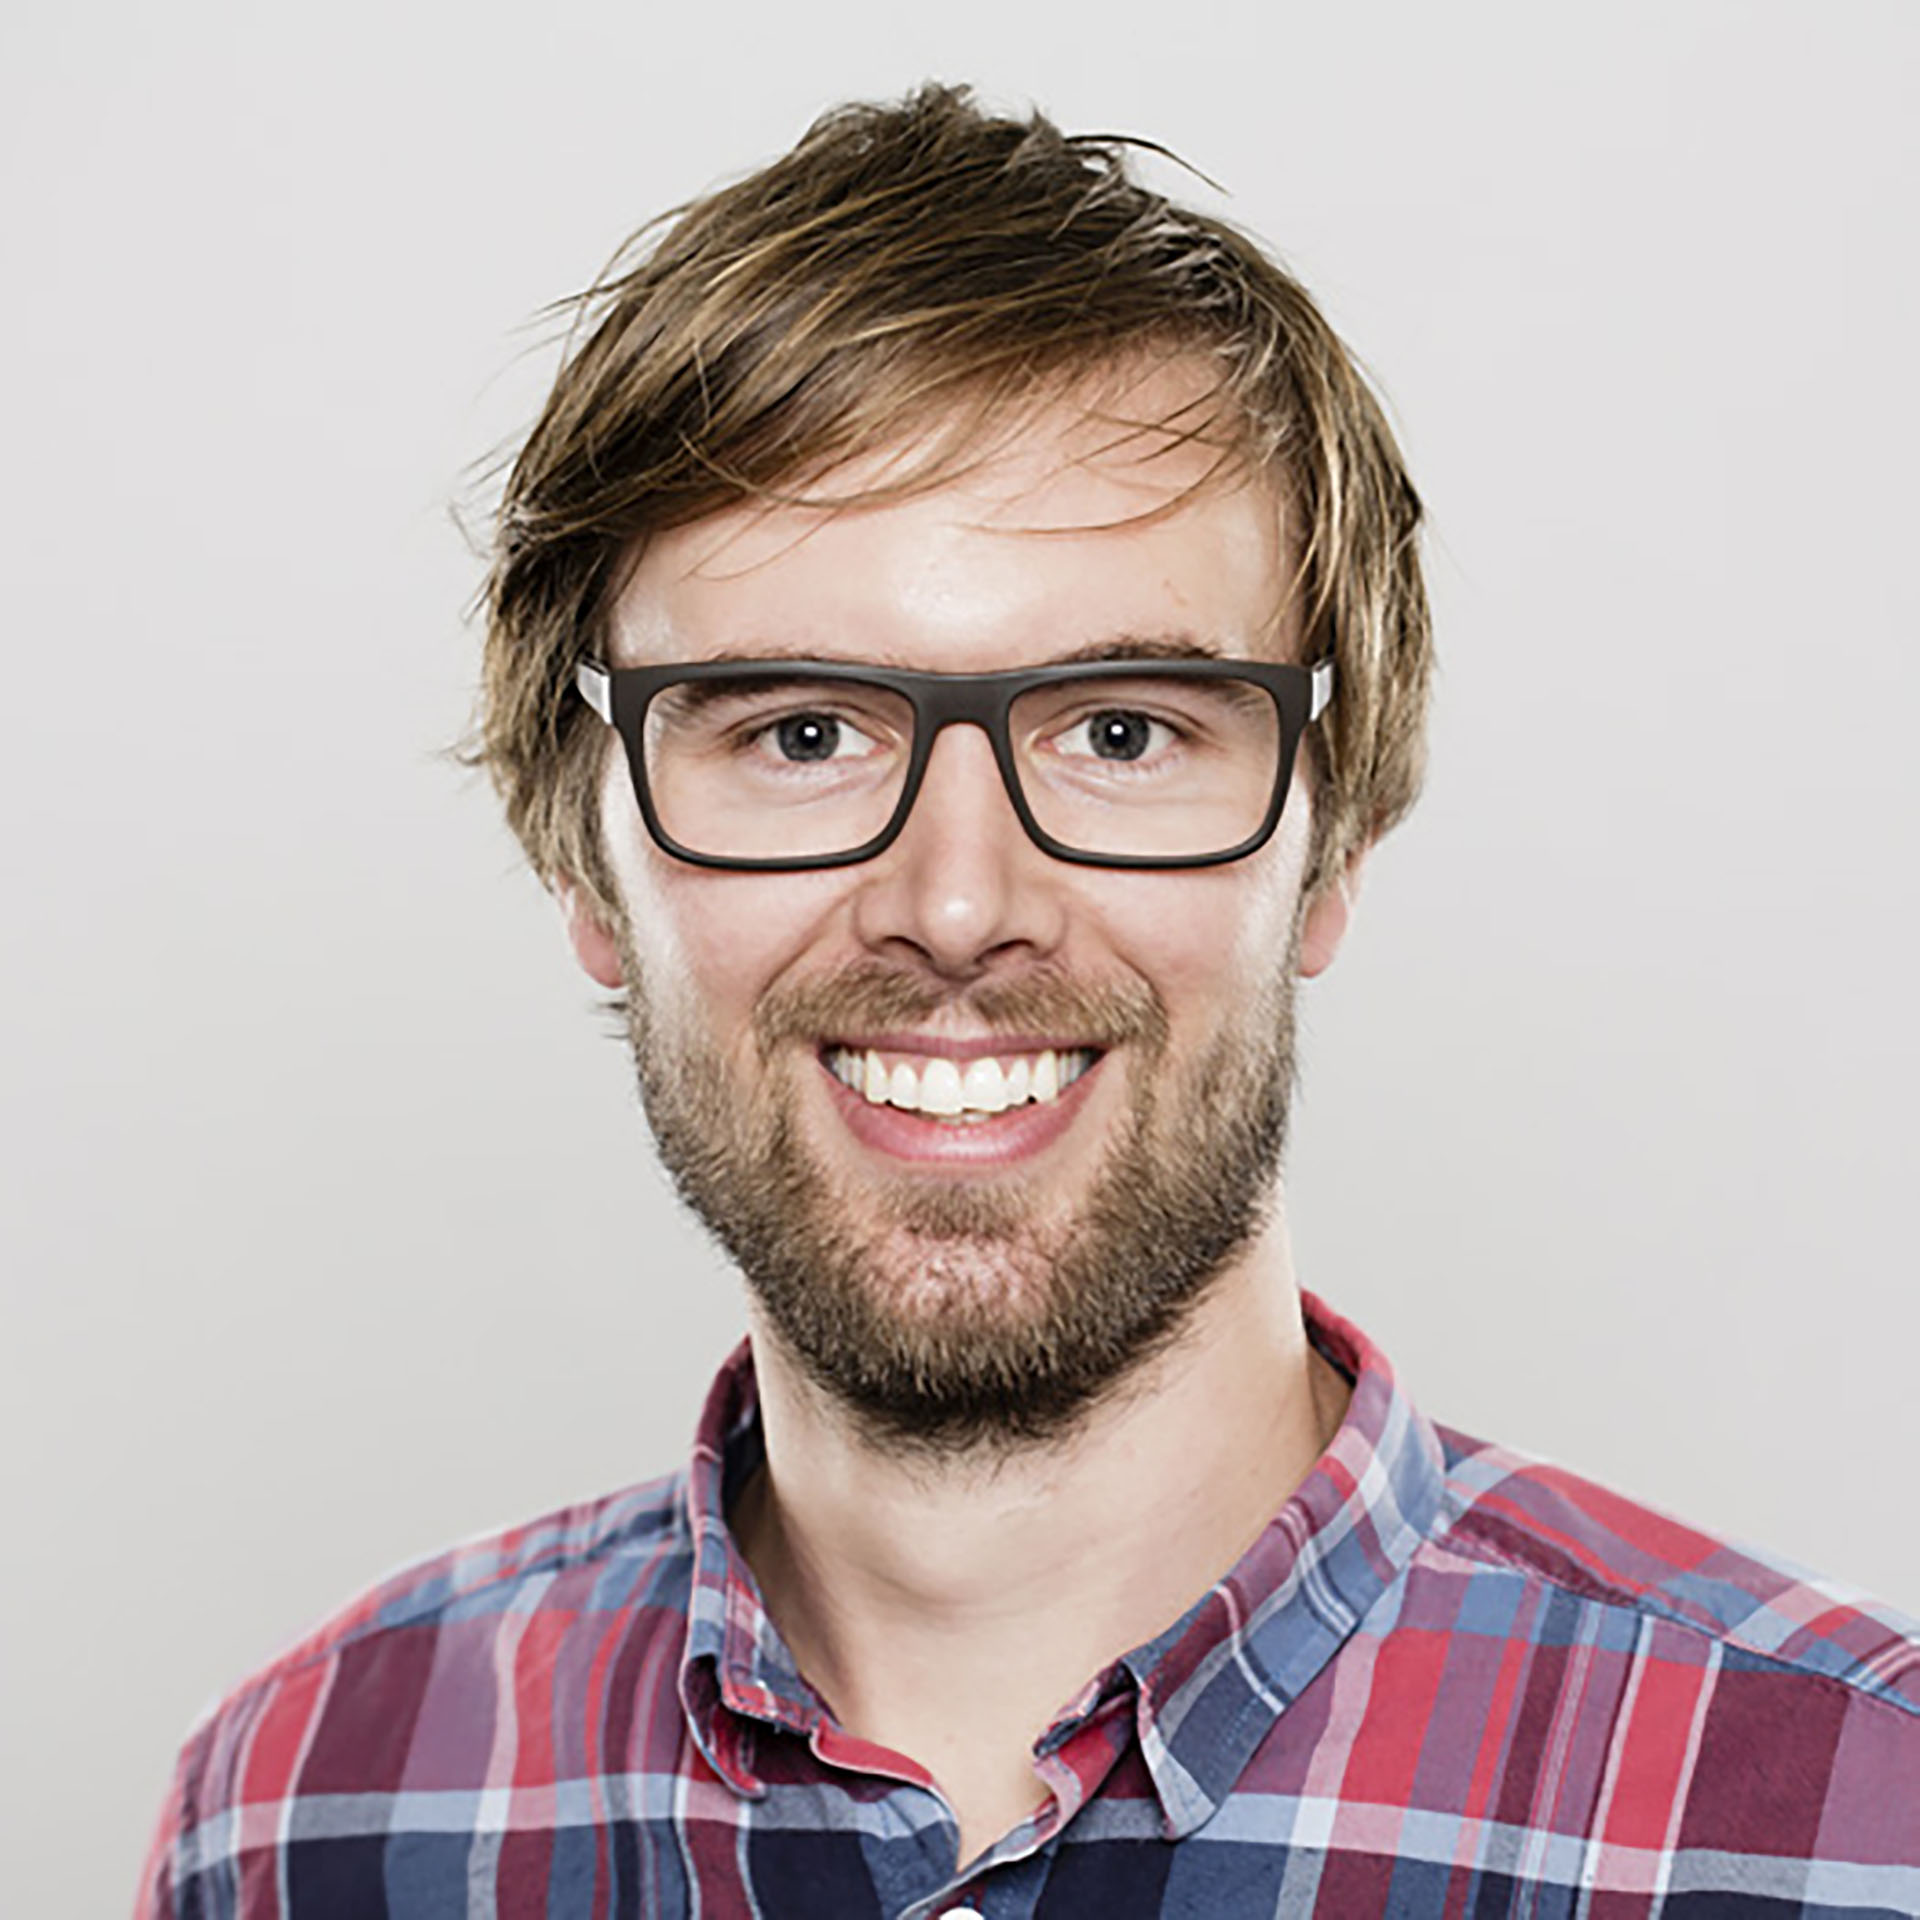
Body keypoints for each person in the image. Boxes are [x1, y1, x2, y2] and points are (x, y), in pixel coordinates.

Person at [139, 84, 1920, 1919]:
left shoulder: (1857, 1827)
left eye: (1123, 732)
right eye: (802, 733)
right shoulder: (299, 1817)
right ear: (585, 866)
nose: (958, 905)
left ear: (1335, 844)